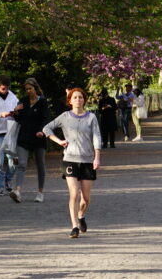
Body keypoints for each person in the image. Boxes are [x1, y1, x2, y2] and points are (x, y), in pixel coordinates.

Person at [43, 87, 102, 238]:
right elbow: (47, 128)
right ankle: (74, 226)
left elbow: (96, 137)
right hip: (70, 160)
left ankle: (81, 215)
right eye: (74, 97)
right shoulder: (64, 117)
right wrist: (59, 141)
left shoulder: (91, 118)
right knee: (74, 193)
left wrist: (97, 157)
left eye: (80, 97)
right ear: (69, 100)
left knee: (86, 198)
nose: (78, 100)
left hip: (87, 160)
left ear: (84, 100)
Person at [14, 77, 51, 202]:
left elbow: (46, 118)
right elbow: (19, 120)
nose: (28, 91)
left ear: (35, 89)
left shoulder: (42, 102)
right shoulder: (23, 101)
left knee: (40, 164)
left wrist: (42, 131)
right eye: (26, 89)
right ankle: (17, 191)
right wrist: (16, 112)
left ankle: (40, 192)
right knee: (21, 164)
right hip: (24, 137)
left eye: (30, 88)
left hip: (38, 137)